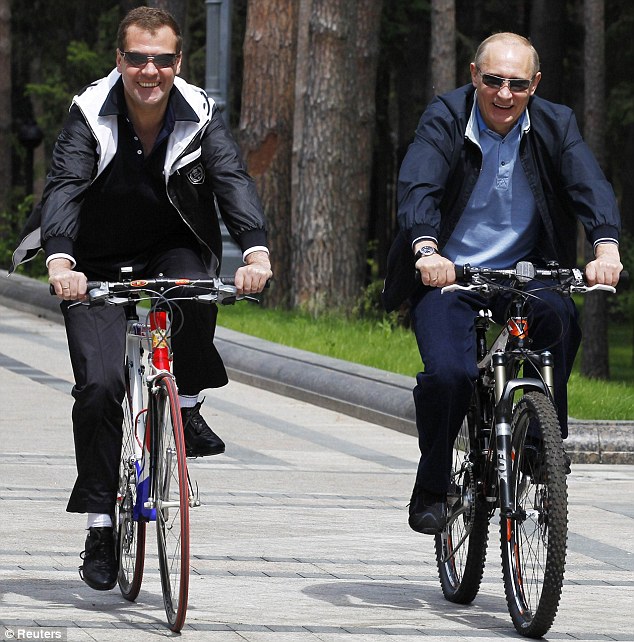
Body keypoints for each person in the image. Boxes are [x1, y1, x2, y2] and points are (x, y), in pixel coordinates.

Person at [12, 7, 272, 589]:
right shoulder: (90, 114)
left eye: (161, 60)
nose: (149, 71)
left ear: (178, 62)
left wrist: (255, 252)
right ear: (120, 60)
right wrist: (60, 260)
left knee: (195, 291)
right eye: (137, 59)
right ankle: (102, 524)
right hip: (93, 262)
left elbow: (231, 179)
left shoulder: (199, 113)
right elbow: (65, 189)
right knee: (101, 385)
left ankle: (184, 405)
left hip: (168, 247)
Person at [382, 32, 622, 535]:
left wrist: (605, 245)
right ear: (474, 76)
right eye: (493, 81)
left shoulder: (557, 124)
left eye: (516, 83)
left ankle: (541, 447)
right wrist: (427, 250)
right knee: (449, 375)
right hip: (449, 275)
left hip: (525, 272)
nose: (504, 94)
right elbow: (418, 186)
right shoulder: (445, 118)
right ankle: (432, 482)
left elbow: (589, 184)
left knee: (559, 319)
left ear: (535, 84)